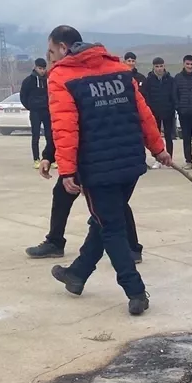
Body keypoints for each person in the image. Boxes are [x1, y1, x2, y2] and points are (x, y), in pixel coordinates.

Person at [45, 25, 169, 314]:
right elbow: (144, 114)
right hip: (130, 163)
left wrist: (67, 170)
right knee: (103, 220)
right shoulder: (120, 69)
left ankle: (135, 291)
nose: (51, 58)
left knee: (111, 226)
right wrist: (157, 148)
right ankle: (77, 274)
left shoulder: (62, 77)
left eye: (51, 52)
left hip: (97, 167)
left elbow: (65, 128)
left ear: (64, 48)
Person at [25, 113, 145, 265]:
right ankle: (55, 242)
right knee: (62, 194)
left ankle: (132, 248)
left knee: (113, 200)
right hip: (82, 156)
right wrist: (48, 156)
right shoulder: (69, 96)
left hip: (100, 157)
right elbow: (64, 130)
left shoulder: (82, 94)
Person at [142, 57, 177, 164]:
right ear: (153, 67)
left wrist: (172, 107)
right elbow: (146, 96)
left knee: (168, 136)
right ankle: (157, 159)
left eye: (161, 66)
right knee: (155, 137)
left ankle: (169, 157)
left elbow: (173, 95)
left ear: (164, 66)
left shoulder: (170, 80)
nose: (159, 69)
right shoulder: (148, 80)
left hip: (168, 112)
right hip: (154, 113)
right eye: (157, 66)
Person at [20, 58, 51, 167]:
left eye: (44, 68)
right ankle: (36, 159)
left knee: (50, 135)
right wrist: (30, 106)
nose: (42, 71)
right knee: (36, 135)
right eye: (40, 68)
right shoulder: (29, 81)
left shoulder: (49, 80)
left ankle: (50, 158)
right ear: (35, 67)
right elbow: (23, 96)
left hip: (47, 110)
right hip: (35, 112)